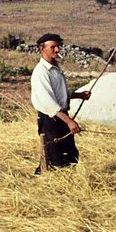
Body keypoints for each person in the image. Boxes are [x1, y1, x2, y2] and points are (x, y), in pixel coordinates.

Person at [30, 33, 91, 173]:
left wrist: (78, 95)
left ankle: (64, 185)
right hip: (50, 120)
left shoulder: (56, 69)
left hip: (61, 117)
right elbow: (49, 102)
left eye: (58, 46)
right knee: (53, 158)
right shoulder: (41, 72)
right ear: (42, 49)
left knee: (70, 156)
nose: (57, 50)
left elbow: (60, 94)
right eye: (53, 47)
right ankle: (44, 184)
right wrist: (69, 121)